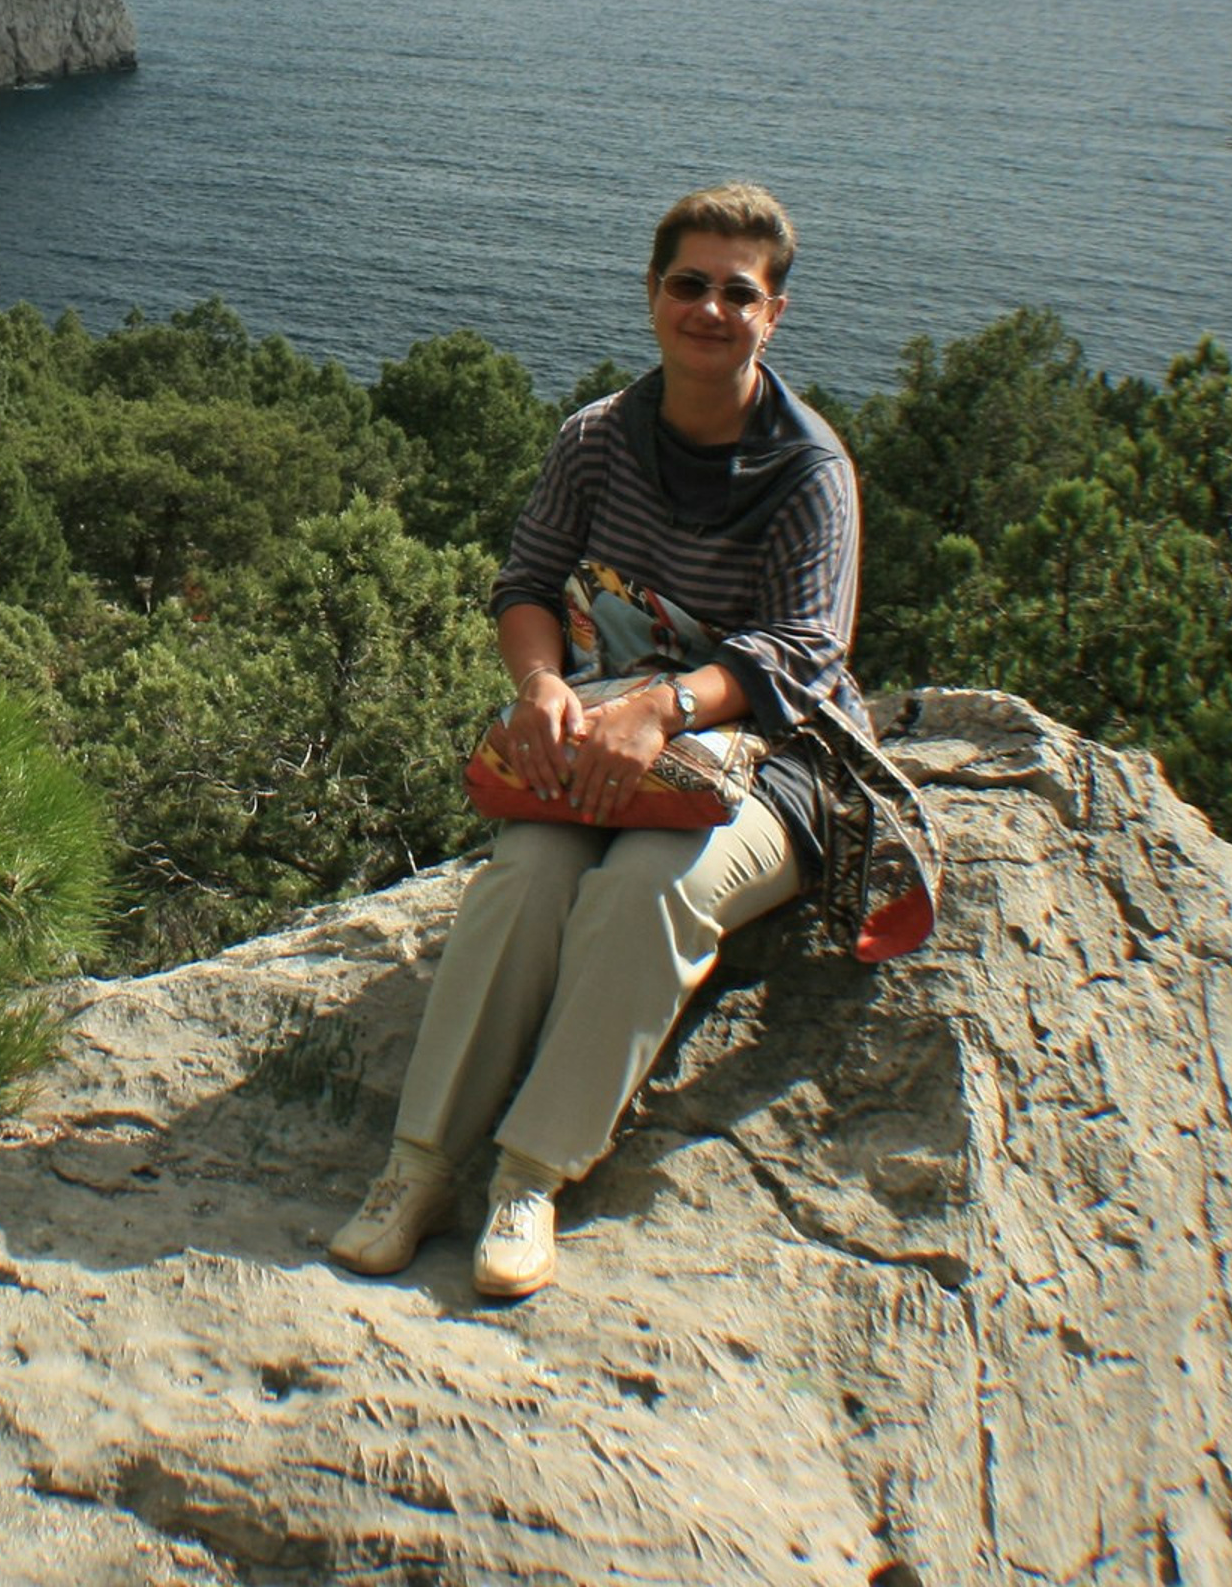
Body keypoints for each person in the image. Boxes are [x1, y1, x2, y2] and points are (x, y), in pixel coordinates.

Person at [329, 181, 876, 1302]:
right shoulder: (596, 440)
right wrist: (540, 687)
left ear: (774, 313)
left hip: (770, 759)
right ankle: (420, 1165)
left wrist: (659, 707)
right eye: (689, 284)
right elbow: (526, 583)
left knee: (645, 893)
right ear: (651, 294)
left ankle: (530, 1174)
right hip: (605, 738)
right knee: (523, 876)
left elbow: (802, 653)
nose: (709, 310)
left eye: (739, 292)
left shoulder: (808, 471)